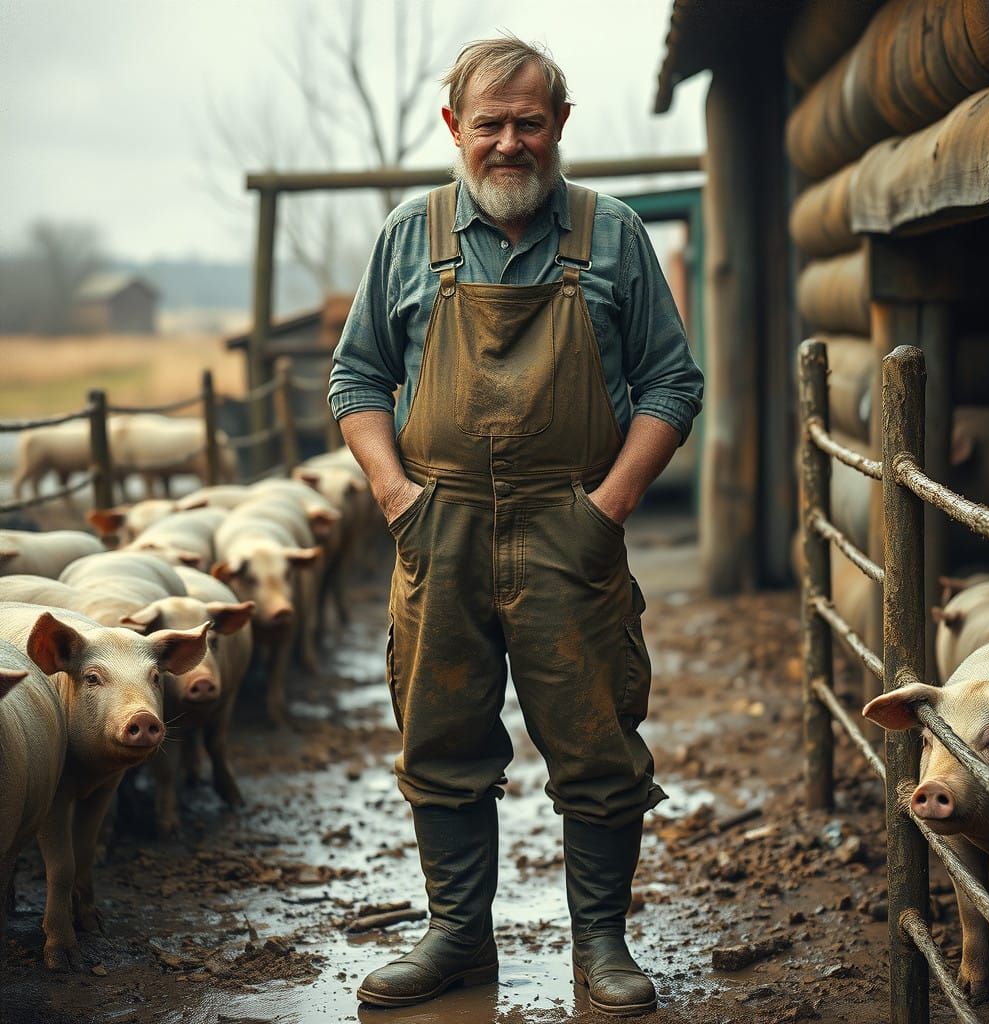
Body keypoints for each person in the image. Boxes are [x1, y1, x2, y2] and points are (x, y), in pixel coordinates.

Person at [328, 34, 703, 1017]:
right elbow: (356, 376)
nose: (508, 143)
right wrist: (397, 496)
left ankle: (602, 942)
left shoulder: (610, 232)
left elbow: (671, 381)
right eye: (487, 124)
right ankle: (456, 939)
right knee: (441, 737)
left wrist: (608, 505)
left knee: (596, 740)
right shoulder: (410, 236)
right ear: (454, 128)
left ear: (559, 126)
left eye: (527, 122)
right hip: (438, 522)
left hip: (566, 526)